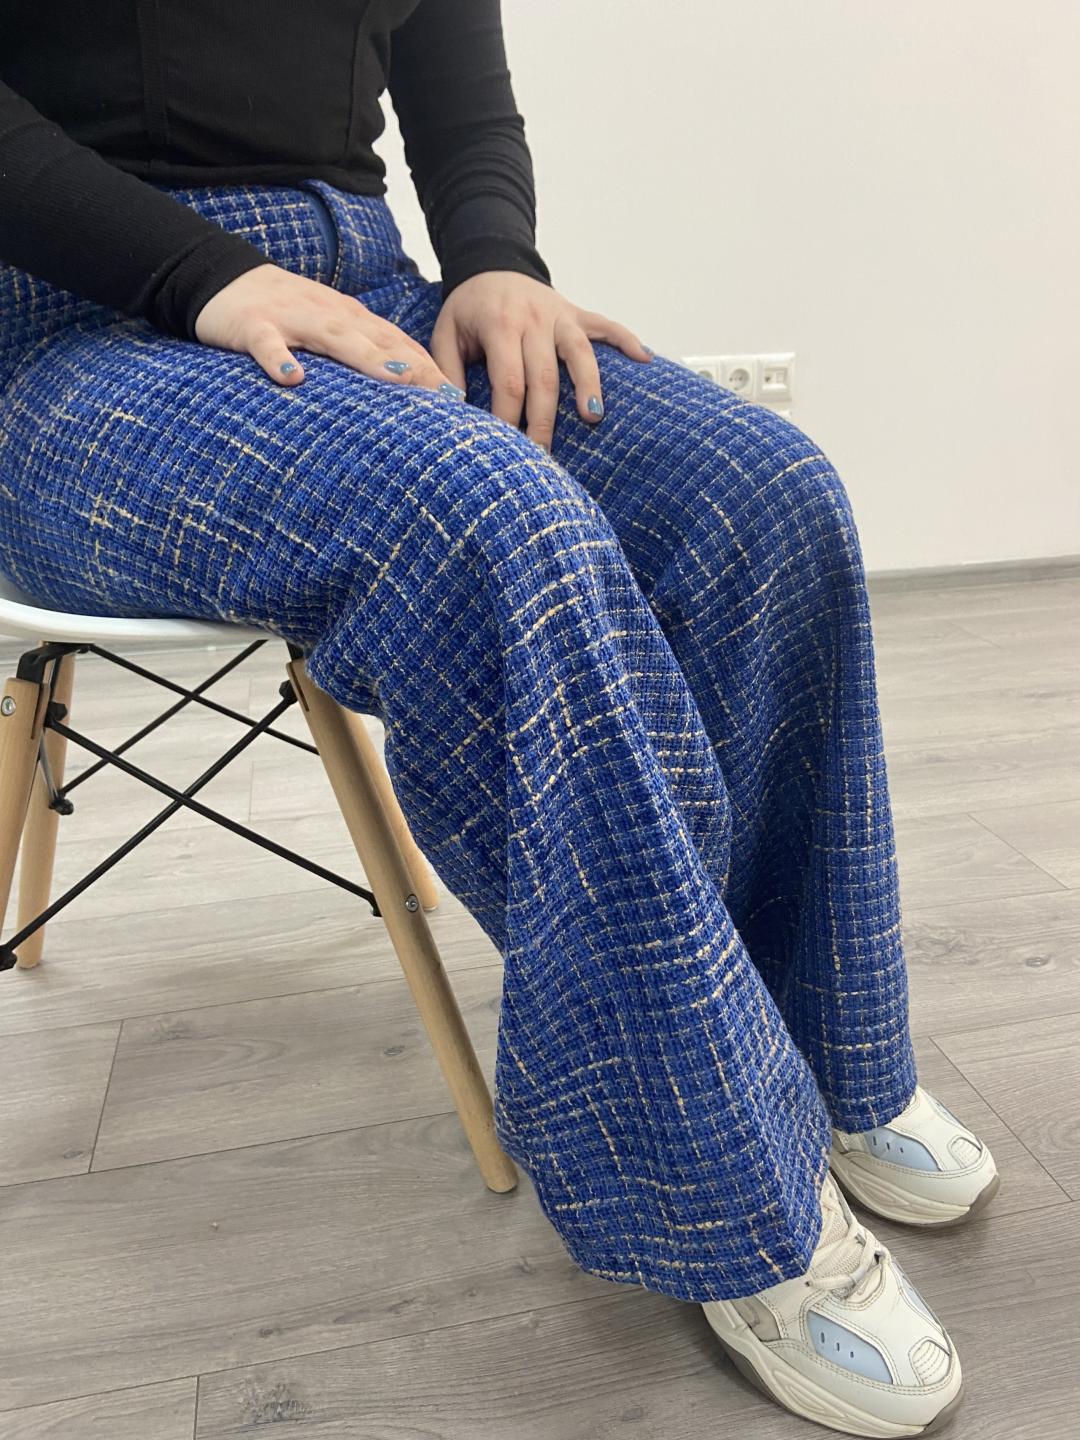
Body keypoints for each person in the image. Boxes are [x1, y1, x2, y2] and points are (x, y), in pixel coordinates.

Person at [0, 3, 999, 1434]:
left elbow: (459, 84)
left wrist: (496, 261)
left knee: (763, 494)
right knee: (488, 522)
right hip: (71, 327)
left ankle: (826, 1052)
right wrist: (199, 273)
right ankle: (723, 1194)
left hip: (367, 287)